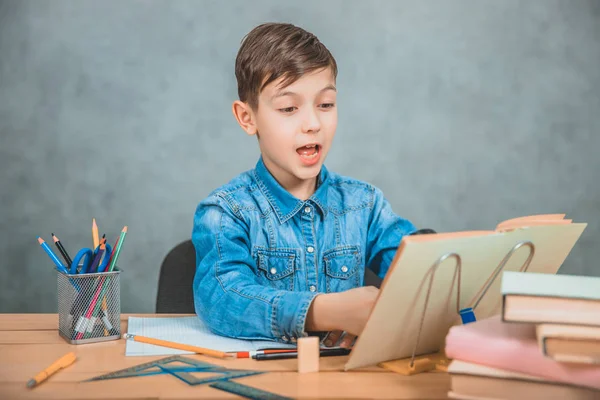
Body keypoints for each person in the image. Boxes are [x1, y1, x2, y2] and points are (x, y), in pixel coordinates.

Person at [192, 22, 416, 348]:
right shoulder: (226, 212)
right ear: (247, 117)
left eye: (325, 104)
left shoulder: (365, 204)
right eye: (288, 108)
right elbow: (222, 297)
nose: (312, 124)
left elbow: (421, 268)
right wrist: (321, 311)